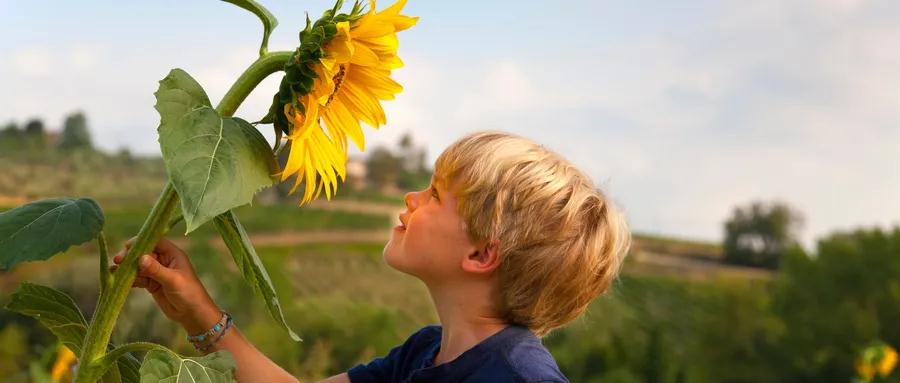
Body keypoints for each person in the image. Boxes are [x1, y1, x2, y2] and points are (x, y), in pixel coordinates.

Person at [113, 131, 631, 382]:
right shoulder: (425, 355)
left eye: (434, 195)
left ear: (480, 253)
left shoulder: (519, 379)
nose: (411, 199)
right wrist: (197, 311)